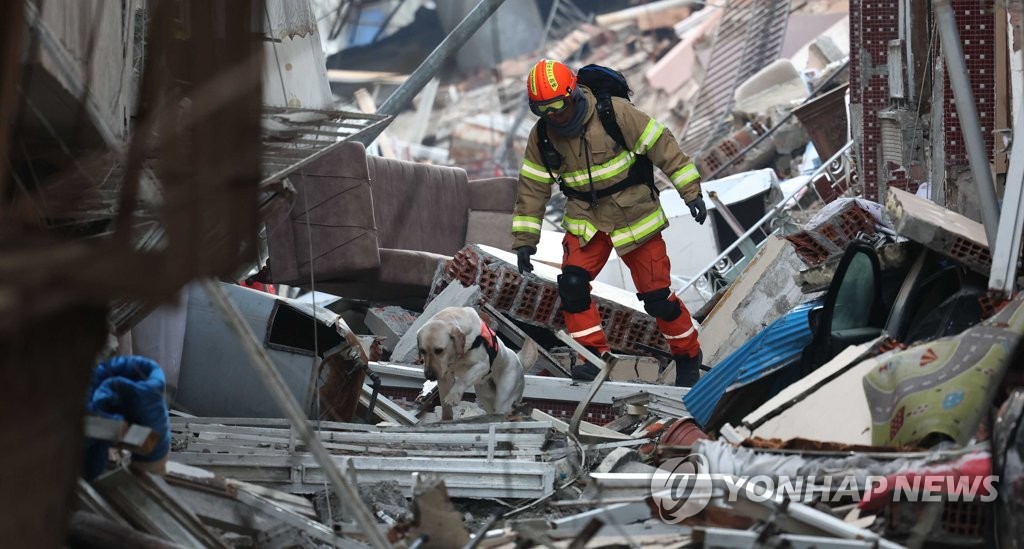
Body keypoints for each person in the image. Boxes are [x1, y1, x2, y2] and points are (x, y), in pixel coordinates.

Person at [511, 59, 708, 386]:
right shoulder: (543, 136)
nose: (553, 117)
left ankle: (688, 354)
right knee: (572, 286)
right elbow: (532, 188)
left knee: (657, 299)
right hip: (587, 220)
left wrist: (691, 192)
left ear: (573, 94)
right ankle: (592, 357)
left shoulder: (614, 114)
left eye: (558, 106)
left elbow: (664, 147)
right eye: (542, 110)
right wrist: (524, 241)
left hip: (634, 215)